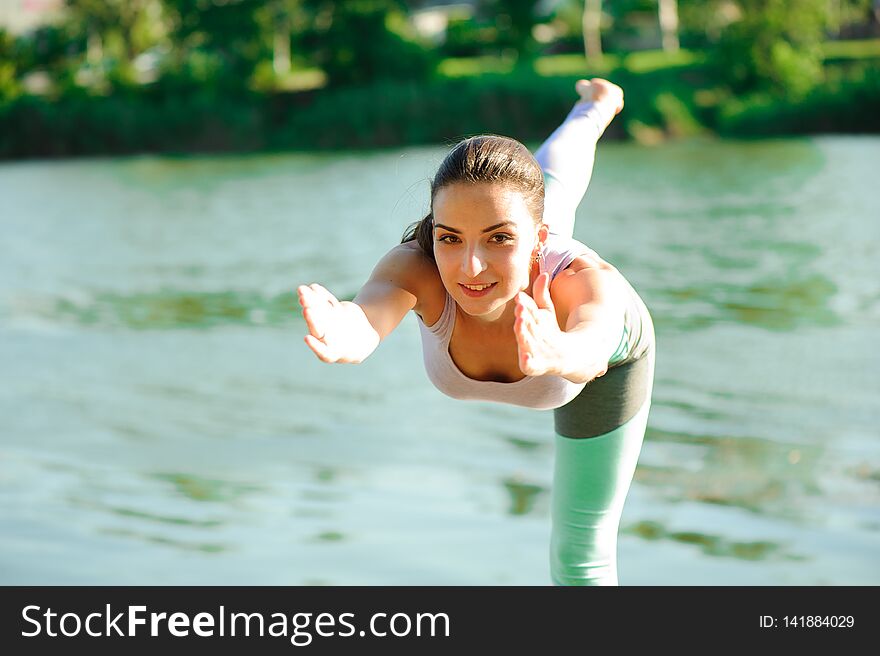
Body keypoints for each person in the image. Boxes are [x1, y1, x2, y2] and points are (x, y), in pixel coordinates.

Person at [297, 79, 655, 585]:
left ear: (537, 242)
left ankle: (593, 112)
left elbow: (594, 345)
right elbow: (367, 316)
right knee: (550, 184)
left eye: (498, 239)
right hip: (546, 303)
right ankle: (592, 108)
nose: (470, 266)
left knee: (582, 552)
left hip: (606, 355)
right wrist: (347, 331)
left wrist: (561, 350)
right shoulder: (418, 268)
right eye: (450, 237)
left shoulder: (579, 280)